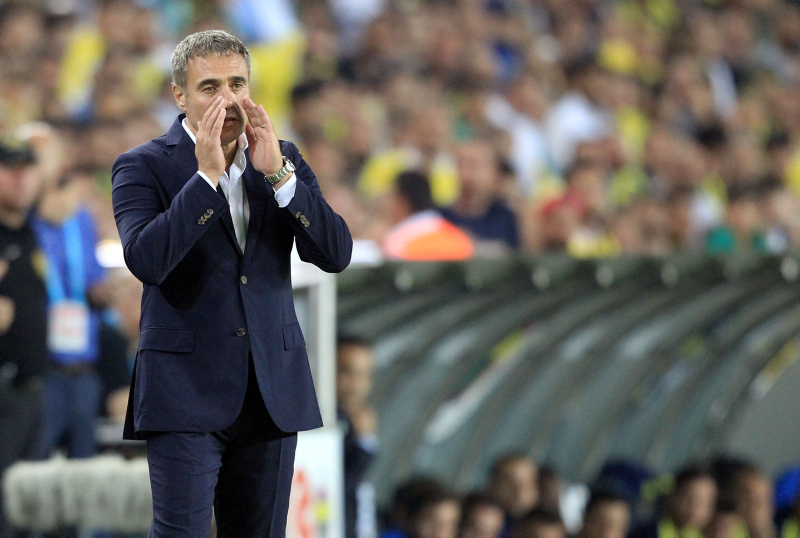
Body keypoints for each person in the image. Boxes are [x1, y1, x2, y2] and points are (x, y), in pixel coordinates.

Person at [110, 30, 352, 536]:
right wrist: (205, 180)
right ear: (180, 96)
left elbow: (335, 254)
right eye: (210, 87)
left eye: (237, 84)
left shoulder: (281, 158)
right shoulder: (141, 165)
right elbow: (147, 261)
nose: (228, 99)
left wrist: (281, 177)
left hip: (271, 391)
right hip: (184, 393)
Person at [33, 167, 110, 458]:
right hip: (43, 369)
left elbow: (93, 280)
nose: (73, 200)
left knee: (83, 460)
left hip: (83, 366)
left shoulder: (81, 223)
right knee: (36, 456)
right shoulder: (26, 227)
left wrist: (103, 293)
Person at [0, 140, 47, 536]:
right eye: (9, 169)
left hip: (34, 387)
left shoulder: (32, 232)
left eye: (26, 169)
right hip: (3, 391)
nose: (20, 179)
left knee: (31, 511)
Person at [337, 335, 378, 538]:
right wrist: (364, 444)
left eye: (365, 375)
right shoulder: (314, 425)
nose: (356, 384)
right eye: (347, 372)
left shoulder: (355, 423)